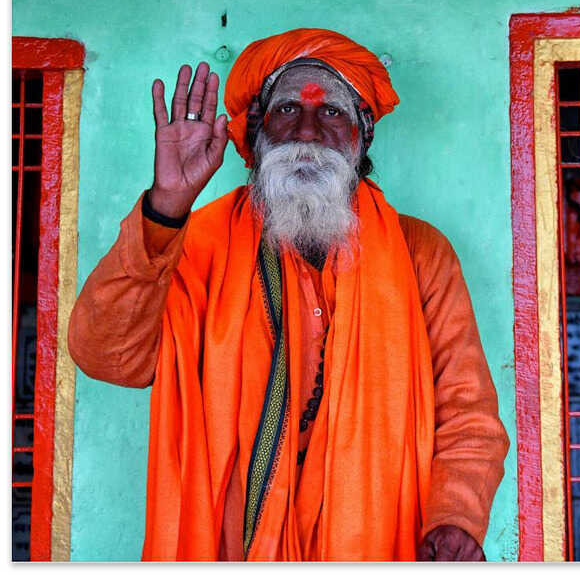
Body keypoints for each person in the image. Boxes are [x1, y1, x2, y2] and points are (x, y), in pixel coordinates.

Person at [68, 28, 509, 561]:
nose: (307, 132)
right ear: (256, 136)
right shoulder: (198, 243)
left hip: (379, 544)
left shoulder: (421, 253)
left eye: (331, 115)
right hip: (231, 547)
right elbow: (108, 357)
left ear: (361, 138)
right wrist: (166, 207)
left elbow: (468, 413)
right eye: (286, 112)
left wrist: (456, 517)